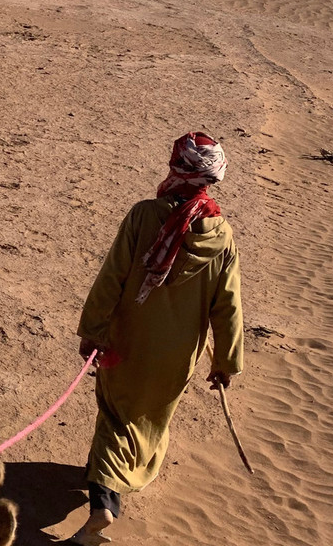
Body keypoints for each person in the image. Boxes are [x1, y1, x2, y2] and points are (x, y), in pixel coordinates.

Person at [71, 132, 244, 545]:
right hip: (179, 354)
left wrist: (93, 330)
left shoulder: (144, 215)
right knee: (152, 417)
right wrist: (225, 362)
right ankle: (118, 479)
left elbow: (111, 277)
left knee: (116, 415)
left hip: (128, 342)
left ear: (176, 167)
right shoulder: (221, 234)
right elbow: (228, 305)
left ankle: (104, 503)